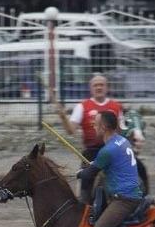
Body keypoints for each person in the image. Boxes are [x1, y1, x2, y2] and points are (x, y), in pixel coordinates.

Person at [76, 110, 143, 227]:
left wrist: (79, 173)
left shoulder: (108, 150)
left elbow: (89, 175)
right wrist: (95, 165)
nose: (93, 125)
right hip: (131, 193)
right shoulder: (122, 141)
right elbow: (104, 164)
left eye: (96, 122)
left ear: (104, 126)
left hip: (124, 199)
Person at [51, 74, 123, 203]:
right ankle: (86, 208)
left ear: (107, 87)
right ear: (91, 88)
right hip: (91, 154)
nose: (99, 87)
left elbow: (121, 132)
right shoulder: (82, 107)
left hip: (112, 152)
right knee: (85, 189)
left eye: (101, 84)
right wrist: (62, 116)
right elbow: (70, 130)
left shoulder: (116, 107)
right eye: (96, 85)